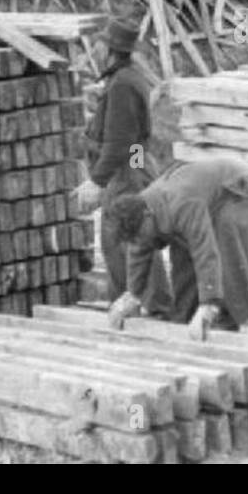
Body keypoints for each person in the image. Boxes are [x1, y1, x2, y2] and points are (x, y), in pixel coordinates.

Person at [103, 158, 248, 339]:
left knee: (225, 251)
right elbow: (139, 251)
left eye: (141, 234)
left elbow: (205, 252)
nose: (141, 241)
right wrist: (132, 296)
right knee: (182, 260)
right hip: (203, 197)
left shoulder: (182, 203)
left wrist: (208, 304)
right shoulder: (141, 211)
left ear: (147, 215)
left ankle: (223, 322)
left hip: (236, 189)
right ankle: (184, 320)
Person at [73, 18, 171, 317]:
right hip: (129, 167)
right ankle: (128, 304)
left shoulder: (123, 84)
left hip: (127, 171)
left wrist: (96, 182)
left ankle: (157, 309)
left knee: (131, 238)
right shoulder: (124, 79)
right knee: (118, 242)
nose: (96, 49)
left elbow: (120, 141)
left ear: (110, 49)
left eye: (100, 44)